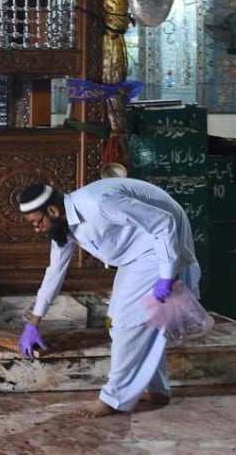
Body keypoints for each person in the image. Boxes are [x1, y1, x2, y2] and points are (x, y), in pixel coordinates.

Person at [16, 177, 200, 418]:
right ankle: (157, 389)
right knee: (119, 320)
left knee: (127, 323)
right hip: (136, 255)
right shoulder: (63, 227)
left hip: (158, 245)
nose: (37, 229)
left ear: (53, 210)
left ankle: (113, 399)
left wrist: (166, 275)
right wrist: (34, 321)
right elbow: (54, 273)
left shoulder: (99, 203)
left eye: (37, 222)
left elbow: (164, 222)